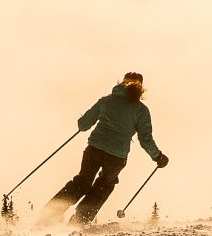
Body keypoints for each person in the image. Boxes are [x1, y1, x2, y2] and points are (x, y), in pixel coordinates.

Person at [45, 71, 170, 224]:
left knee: (82, 181)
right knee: (104, 186)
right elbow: (145, 139)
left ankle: (48, 215)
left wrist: (86, 121)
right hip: (117, 156)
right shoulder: (141, 110)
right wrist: (158, 156)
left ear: (122, 83)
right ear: (141, 88)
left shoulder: (107, 101)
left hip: (94, 148)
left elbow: (83, 125)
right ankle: (79, 221)